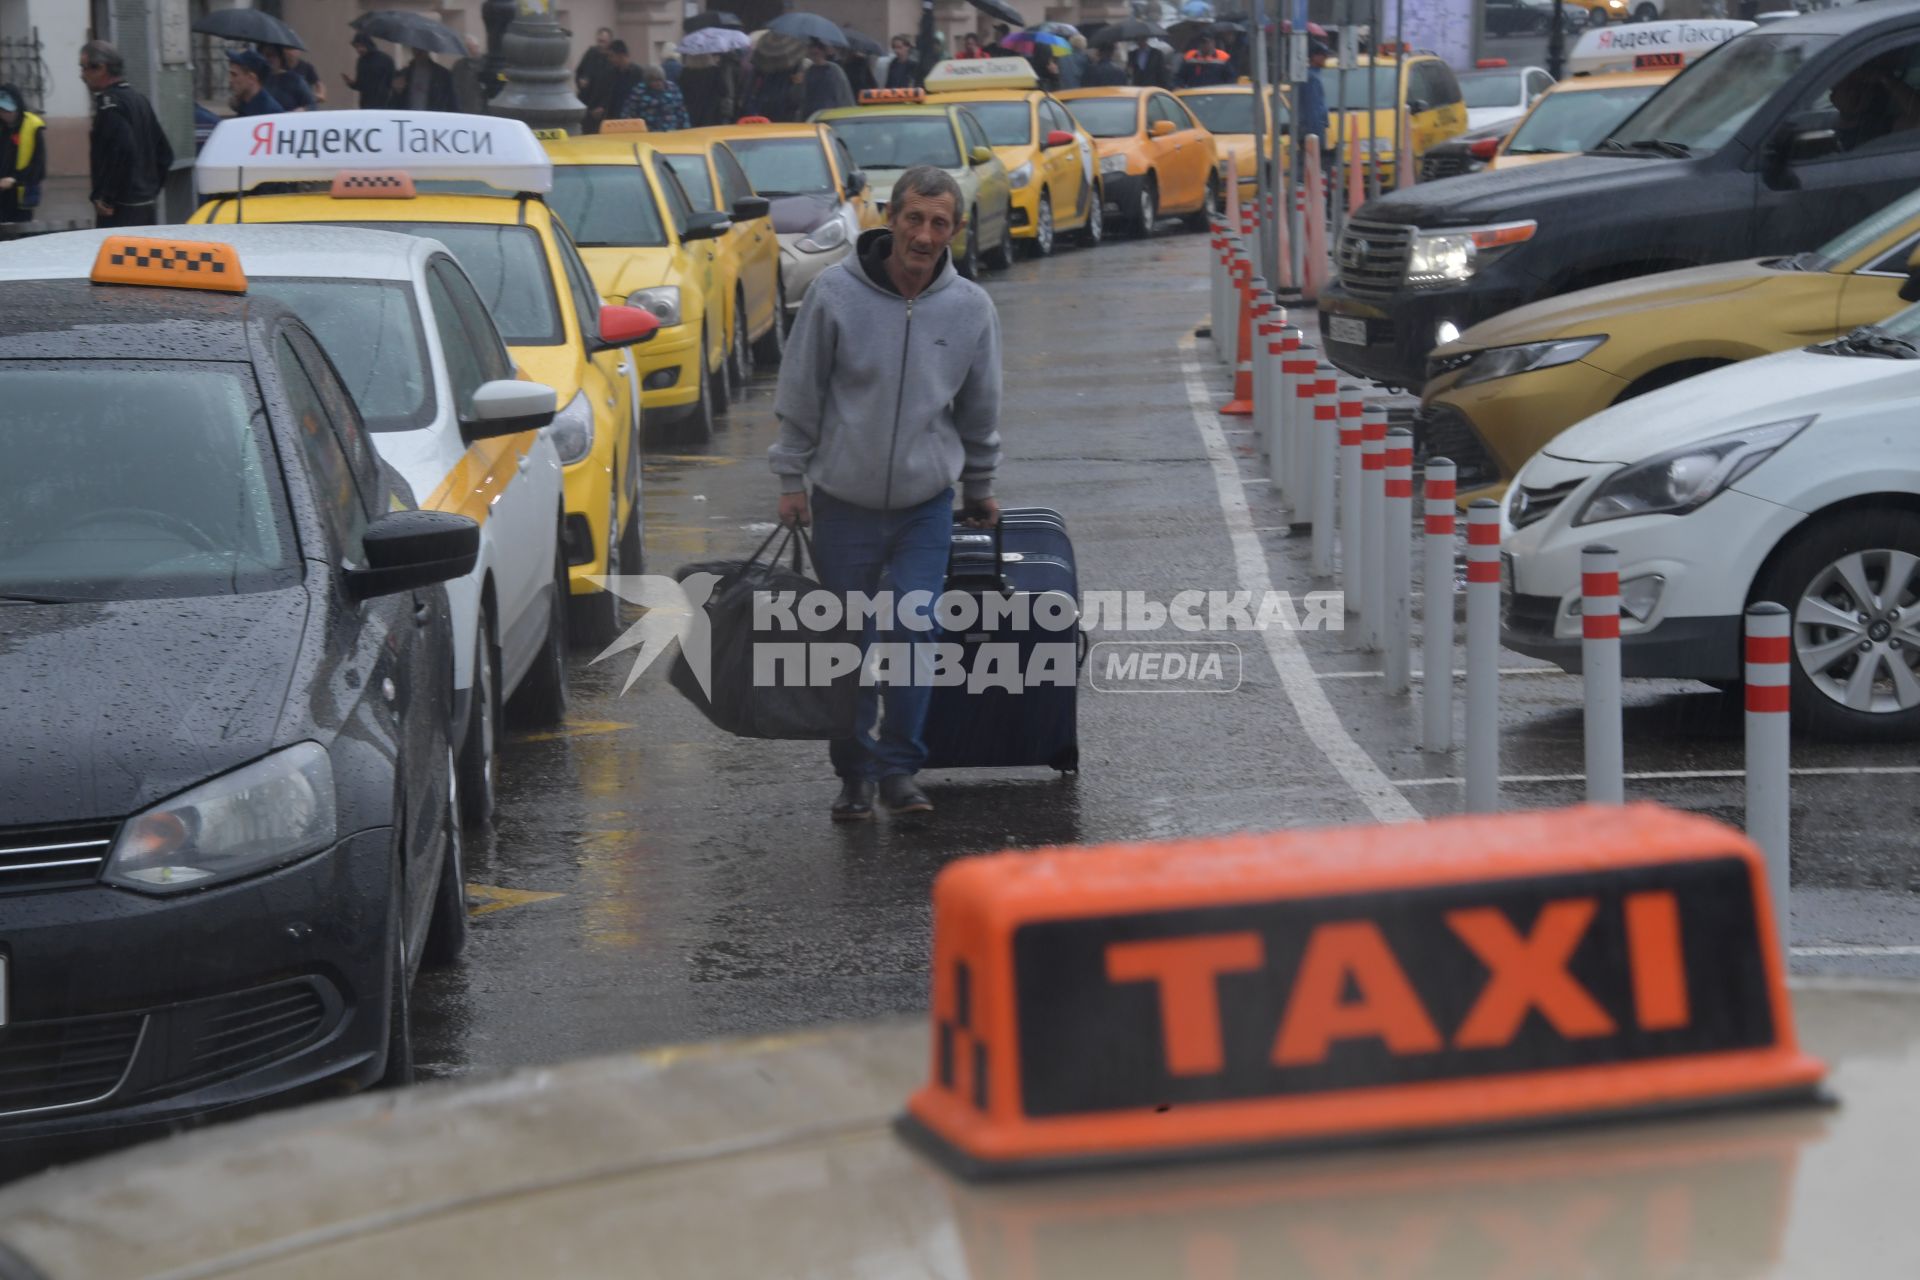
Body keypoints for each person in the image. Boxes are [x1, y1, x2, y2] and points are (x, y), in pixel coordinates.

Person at [771, 165, 1002, 821]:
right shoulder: (833, 296)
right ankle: (854, 775)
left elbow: (980, 407)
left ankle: (900, 768)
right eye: (913, 218)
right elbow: (801, 393)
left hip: (924, 506)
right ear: (889, 218)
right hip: (841, 505)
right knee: (849, 647)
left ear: (954, 230)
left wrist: (979, 483)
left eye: (938, 223)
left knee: (912, 630)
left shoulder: (969, 309)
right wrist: (792, 480)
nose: (924, 235)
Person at [81, 40, 173, 229]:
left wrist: (106, 197)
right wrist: (148, 192)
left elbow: (123, 149)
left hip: (120, 211)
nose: (82, 76)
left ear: (101, 68)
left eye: (85, 68)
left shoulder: (110, 105)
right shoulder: (139, 100)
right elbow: (165, 154)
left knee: (118, 258)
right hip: (145, 208)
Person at [0, 86, 46, 224]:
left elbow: (39, 167)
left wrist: (14, 179)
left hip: (21, 197)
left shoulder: (32, 126)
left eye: (8, 110)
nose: (4, 114)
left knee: (19, 237)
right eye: (1, 110)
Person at [588, 40, 643, 130]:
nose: (610, 59)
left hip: (633, 122)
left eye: (612, 56)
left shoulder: (638, 74)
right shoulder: (610, 74)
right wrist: (601, 107)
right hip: (613, 122)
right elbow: (606, 95)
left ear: (621, 55)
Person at [622, 64, 690, 131]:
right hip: (648, 131)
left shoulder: (672, 88)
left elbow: (681, 109)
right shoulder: (639, 90)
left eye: (660, 79)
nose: (658, 83)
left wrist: (686, 128)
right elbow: (629, 110)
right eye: (653, 80)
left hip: (671, 130)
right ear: (647, 81)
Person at [679, 53, 737, 127]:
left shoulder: (685, 72)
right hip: (712, 112)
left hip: (692, 112)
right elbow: (724, 91)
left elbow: (681, 93)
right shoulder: (715, 71)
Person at [393, 47, 458, 112]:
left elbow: (452, 103)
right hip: (410, 118)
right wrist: (397, 91)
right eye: (415, 48)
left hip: (432, 118)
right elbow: (393, 105)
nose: (418, 51)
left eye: (422, 49)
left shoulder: (443, 75)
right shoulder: (403, 74)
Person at [576, 27, 615, 131]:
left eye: (603, 41)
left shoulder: (612, 59)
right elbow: (579, 71)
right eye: (599, 41)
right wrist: (580, 81)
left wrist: (603, 105)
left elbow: (612, 86)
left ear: (609, 42)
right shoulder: (591, 53)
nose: (601, 44)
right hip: (586, 101)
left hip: (602, 106)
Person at [227, 49, 285, 118]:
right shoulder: (245, 104)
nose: (230, 80)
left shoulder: (269, 113)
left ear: (251, 78)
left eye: (234, 75)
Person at [802, 40, 854, 117]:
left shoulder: (834, 70)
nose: (815, 57)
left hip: (832, 113)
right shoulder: (809, 71)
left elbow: (843, 93)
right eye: (812, 54)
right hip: (813, 114)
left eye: (816, 54)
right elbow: (805, 95)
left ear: (823, 53)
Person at [344, 33, 395, 109]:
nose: (359, 49)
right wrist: (351, 84)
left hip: (383, 103)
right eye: (356, 47)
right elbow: (361, 85)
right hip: (365, 104)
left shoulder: (385, 59)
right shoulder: (361, 61)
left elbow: (391, 80)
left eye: (361, 46)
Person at [257, 43, 314, 111]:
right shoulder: (256, 80)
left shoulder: (295, 81)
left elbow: (312, 106)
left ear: (280, 57)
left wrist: (302, 110)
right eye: (263, 56)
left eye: (271, 55)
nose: (267, 59)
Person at [1299, 38, 1331, 151]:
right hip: (1313, 132)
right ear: (1314, 57)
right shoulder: (1312, 78)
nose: (1326, 58)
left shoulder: (1314, 75)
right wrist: (1318, 138)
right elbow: (1313, 109)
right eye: (1323, 55)